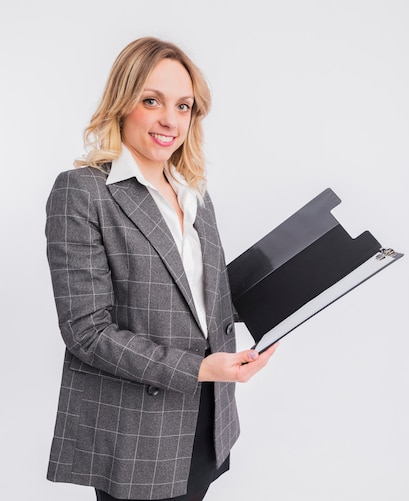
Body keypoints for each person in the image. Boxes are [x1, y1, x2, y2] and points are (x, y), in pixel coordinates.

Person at [44, 37, 277, 501]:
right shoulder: (83, 192)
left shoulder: (193, 192)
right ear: (122, 102)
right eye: (152, 101)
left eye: (184, 106)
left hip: (208, 417)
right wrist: (198, 369)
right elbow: (87, 332)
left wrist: (291, 288)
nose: (170, 120)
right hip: (138, 433)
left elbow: (201, 298)